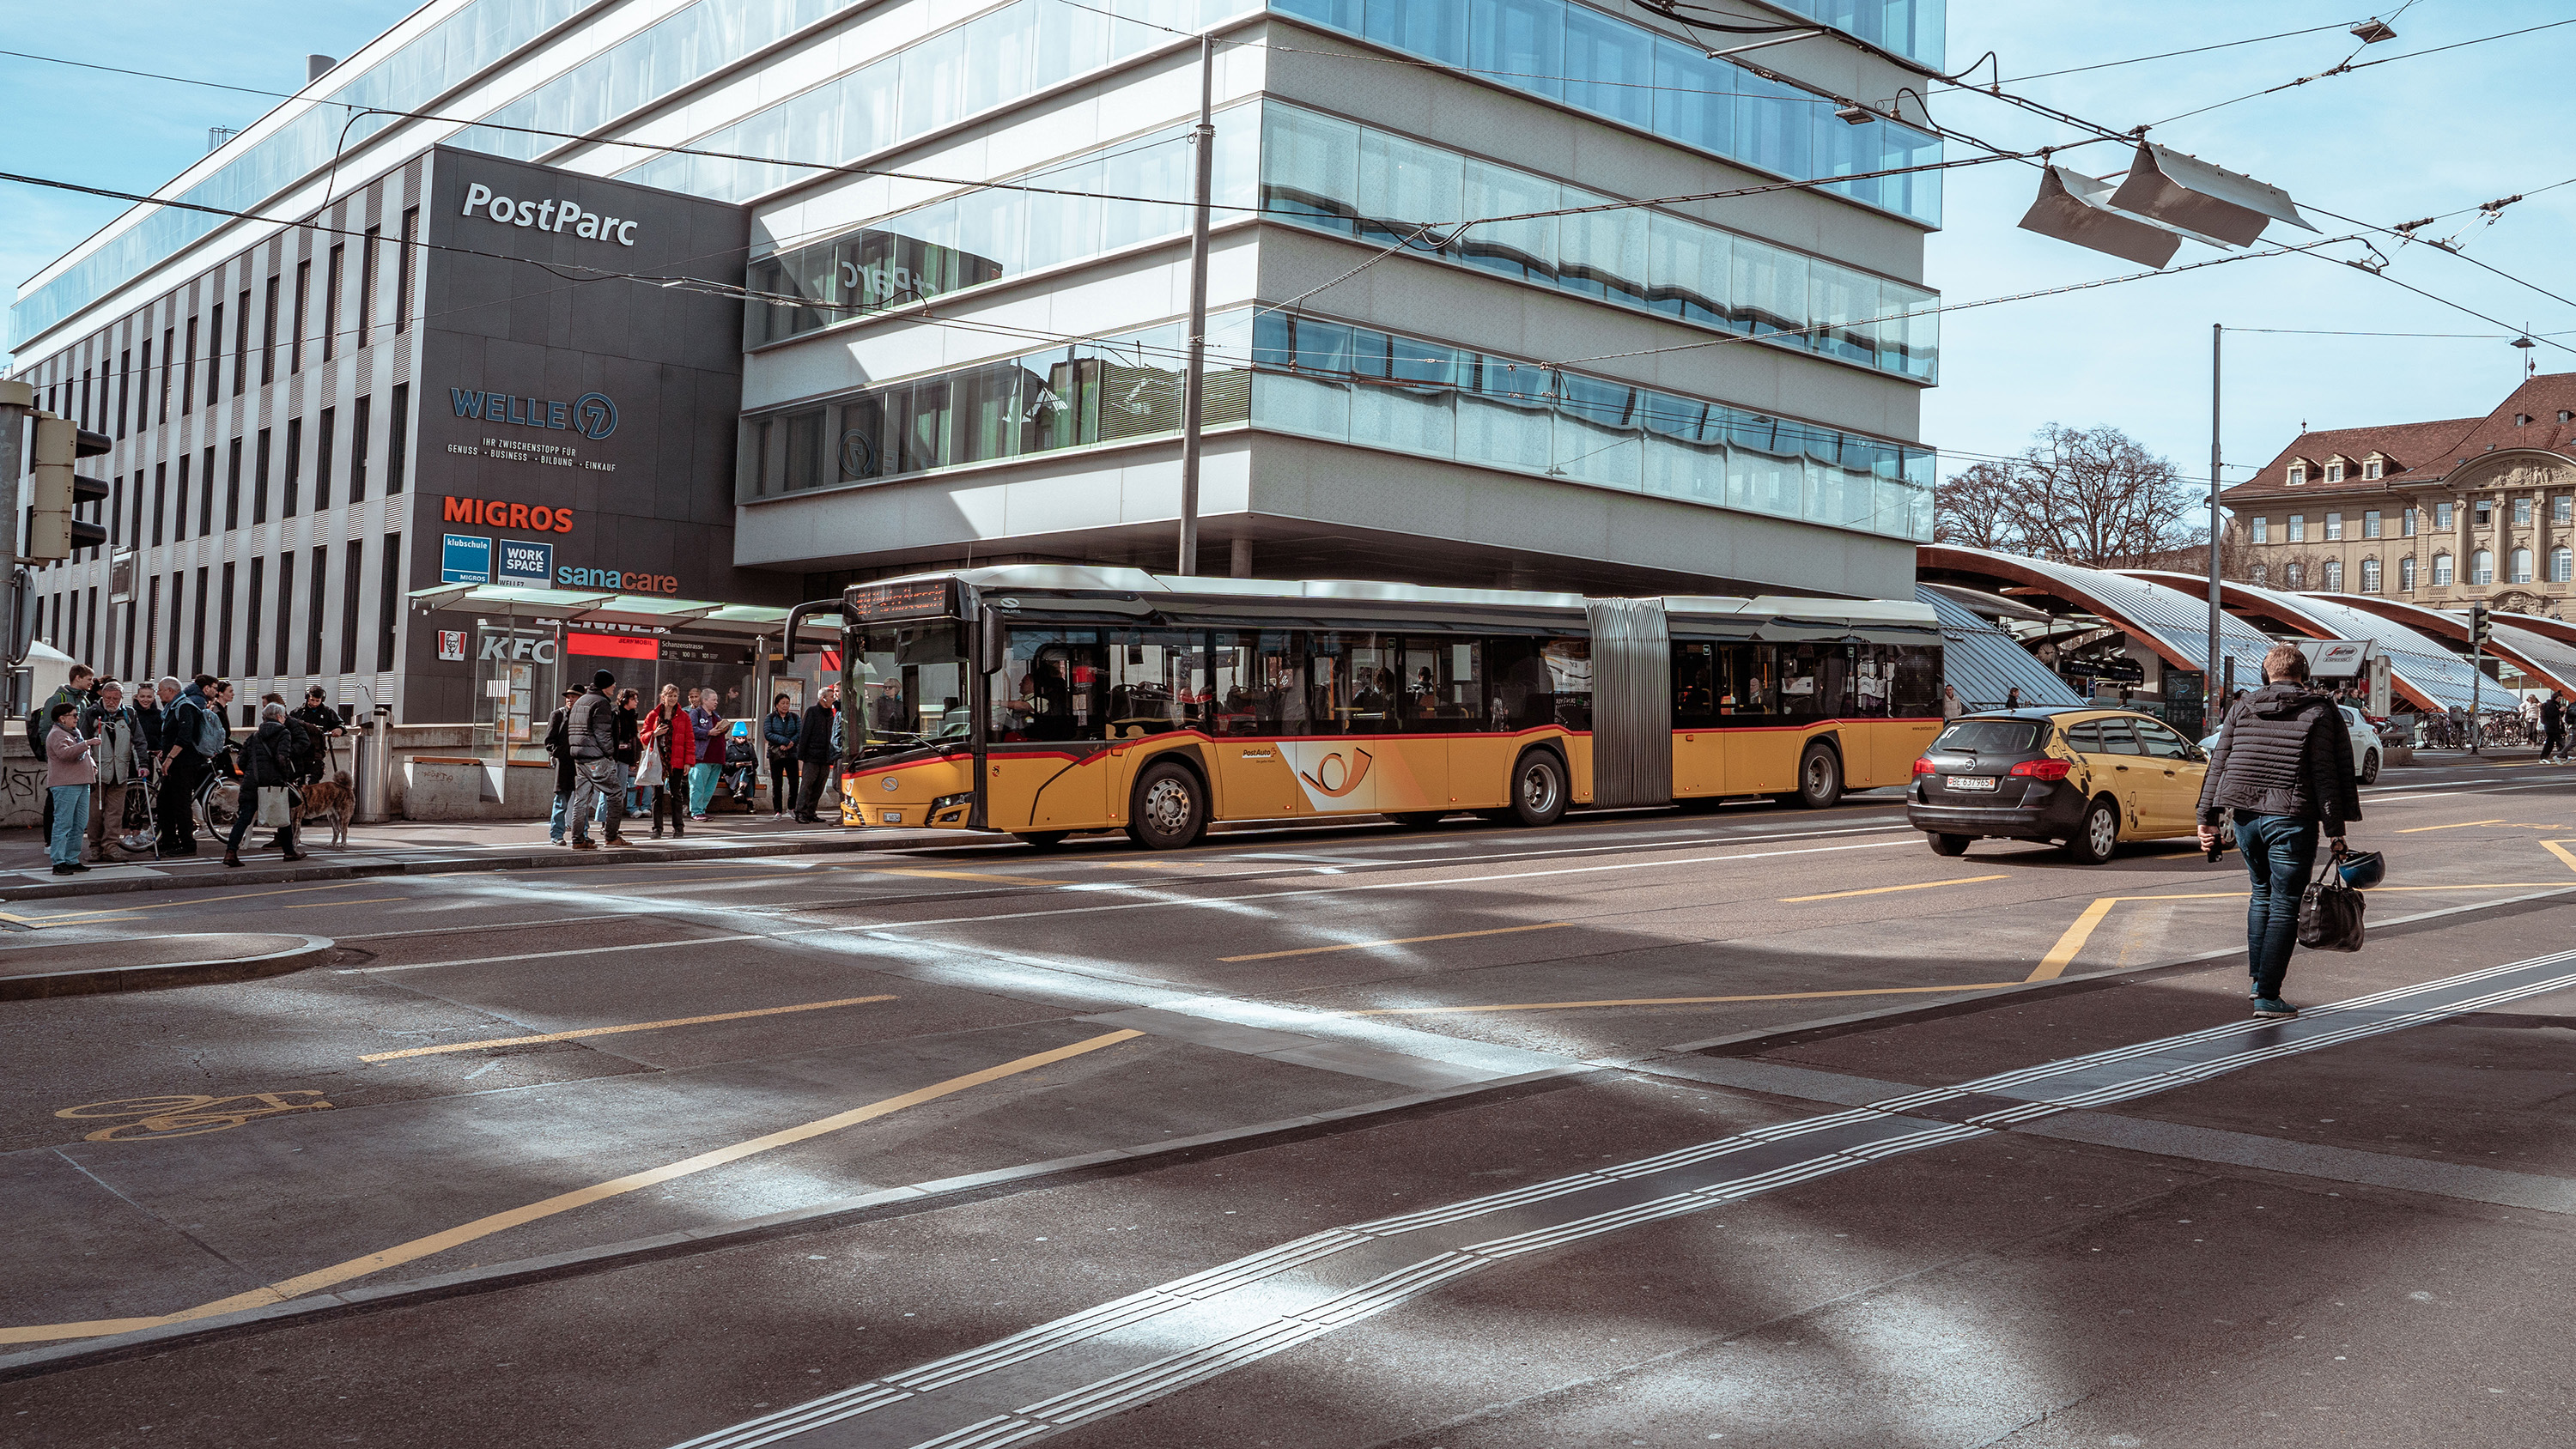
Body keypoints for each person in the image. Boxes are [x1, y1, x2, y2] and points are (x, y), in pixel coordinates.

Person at [2196, 643, 2362, 1020]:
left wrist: (2206, 817)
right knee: (2286, 902)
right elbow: (2326, 774)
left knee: (2261, 895)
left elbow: (2218, 763)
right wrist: (2336, 832)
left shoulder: (2242, 706)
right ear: (2304, 674)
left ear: (2265, 673)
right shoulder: (2320, 709)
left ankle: (2259, 981)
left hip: (2245, 817)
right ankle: (2269, 996)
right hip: (2290, 816)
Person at [224, 701, 306, 867]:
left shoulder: (254, 735)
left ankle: (231, 852)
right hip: (273, 783)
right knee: (283, 816)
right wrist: (284, 777)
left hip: (251, 782)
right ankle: (289, 852)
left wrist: (251, 773)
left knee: (244, 819)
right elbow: (282, 758)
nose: (284, 719)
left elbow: (241, 760)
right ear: (278, 717)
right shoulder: (284, 733)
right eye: (283, 716)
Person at [157, 675, 225, 858]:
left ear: (171, 691)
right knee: (164, 802)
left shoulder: (185, 706)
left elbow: (185, 737)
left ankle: (187, 843)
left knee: (181, 803)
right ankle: (169, 839)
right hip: (175, 762)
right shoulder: (173, 707)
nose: (158, 693)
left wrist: (170, 757)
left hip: (185, 763)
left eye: (160, 690)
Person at [27, 664, 97, 841]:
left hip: (79, 758)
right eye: (89, 679)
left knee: (76, 812)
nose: (92, 683)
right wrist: (50, 756)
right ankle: (51, 842)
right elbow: (44, 728)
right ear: (77, 678)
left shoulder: (84, 700)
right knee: (55, 802)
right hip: (61, 759)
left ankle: (68, 849)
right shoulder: (58, 698)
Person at [562, 670, 630, 850]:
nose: (615, 687)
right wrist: (610, 754)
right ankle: (611, 836)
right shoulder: (601, 703)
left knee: (581, 799)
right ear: (605, 686)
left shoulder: (582, 700)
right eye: (612, 684)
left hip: (579, 757)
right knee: (615, 794)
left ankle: (577, 840)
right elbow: (603, 734)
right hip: (596, 757)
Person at [83, 681, 141, 864]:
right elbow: (82, 741)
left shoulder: (129, 714)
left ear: (121, 698)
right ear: (102, 696)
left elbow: (139, 741)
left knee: (115, 813)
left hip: (120, 772)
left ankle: (111, 847)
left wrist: (143, 764)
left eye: (115, 698)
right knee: (95, 813)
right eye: (108, 698)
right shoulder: (92, 713)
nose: (111, 701)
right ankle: (95, 848)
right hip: (97, 772)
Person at [43, 701, 95, 876]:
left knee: (79, 824)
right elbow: (65, 754)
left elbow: (82, 753)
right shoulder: (57, 734)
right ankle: (58, 861)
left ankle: (72, 858)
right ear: (62, 718)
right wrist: (87, 743)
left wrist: (92, 763)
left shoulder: (74, 732)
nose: (77, 718)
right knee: (63, 823)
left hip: (81, 781)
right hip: (65, 784)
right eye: (73, 715)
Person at [640, 682, 696, 839]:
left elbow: (689, 740)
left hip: (676, 760)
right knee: (657, 796)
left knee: (676, 794)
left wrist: (688, 762)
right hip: (658, 760)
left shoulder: (684, 716)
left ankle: (678, 827)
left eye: (675, 696)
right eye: (669, 696)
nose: (672, 699)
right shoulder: (653, 715)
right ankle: (657, 828)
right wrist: (654, 733)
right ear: (663, 697)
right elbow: (643, 736)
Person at [793, 682, 840, 822]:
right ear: (823, 698)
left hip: (825, 756)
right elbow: (805, 733)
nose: (834, 699)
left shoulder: (830, 715)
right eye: (831, 696)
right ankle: (800, 811)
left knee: (819, 785)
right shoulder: (812, 711)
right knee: (807, 784)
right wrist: (801, 755)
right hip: (812, 756)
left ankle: (811, 811)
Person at [543, 686, 580, 846]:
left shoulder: (583, 716)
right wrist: (559, 753)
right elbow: (549, 741)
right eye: (568, 697)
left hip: (580, 763)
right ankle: (557, 834)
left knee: (581, 802)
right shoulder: (558, 714)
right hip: (565, 764)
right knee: (561, 800)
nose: (570, 699)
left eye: (574, 697)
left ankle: (581, 834)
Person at [290, 688, 346, 782]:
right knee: (298, 781)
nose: (314, 703)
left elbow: (340, 724)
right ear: (307, 698)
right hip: (299, 752)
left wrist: (340, 729)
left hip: (316, 752)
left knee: (313, 780)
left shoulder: (327, 712)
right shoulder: (297, 713)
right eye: (312, 700)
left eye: (317, 701)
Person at [685, 688, 725, 819]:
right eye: (713, 700)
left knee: (709, 787)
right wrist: (708, 732)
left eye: (716, 700)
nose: (716, 702)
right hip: (702, 757)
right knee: (698, 784)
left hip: (716, 757)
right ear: (705, 700)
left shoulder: (716, 715)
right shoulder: (695, 713)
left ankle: (702, 809)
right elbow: (691, 730)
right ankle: (696, 811)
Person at [763, 694, 801, 816]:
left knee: (794, 782)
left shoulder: (795, 717)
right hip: (776, 754)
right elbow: (768, 733)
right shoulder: (770, 718)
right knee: (777, 783)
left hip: (791, 753)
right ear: (776, 705)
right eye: (783, 703)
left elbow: (799, 732)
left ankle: (791, 807)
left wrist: (791, 743)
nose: (785, 706)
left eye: (787, 703)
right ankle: (778, 810)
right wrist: (784, 741)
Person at [2541, 689, 2567, 763]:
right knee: (2561, 742)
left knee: (2550, 743)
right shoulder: (2550, 704)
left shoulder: (2556, 704)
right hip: (2551, 727)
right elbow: (2551, 715)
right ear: (2555, 698)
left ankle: (2543, 757)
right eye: (2559, 698)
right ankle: (2564, 756)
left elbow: (2559, 716)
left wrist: (2561, 712)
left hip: (2555, 726)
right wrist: (2559, 711)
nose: (2559, 700)